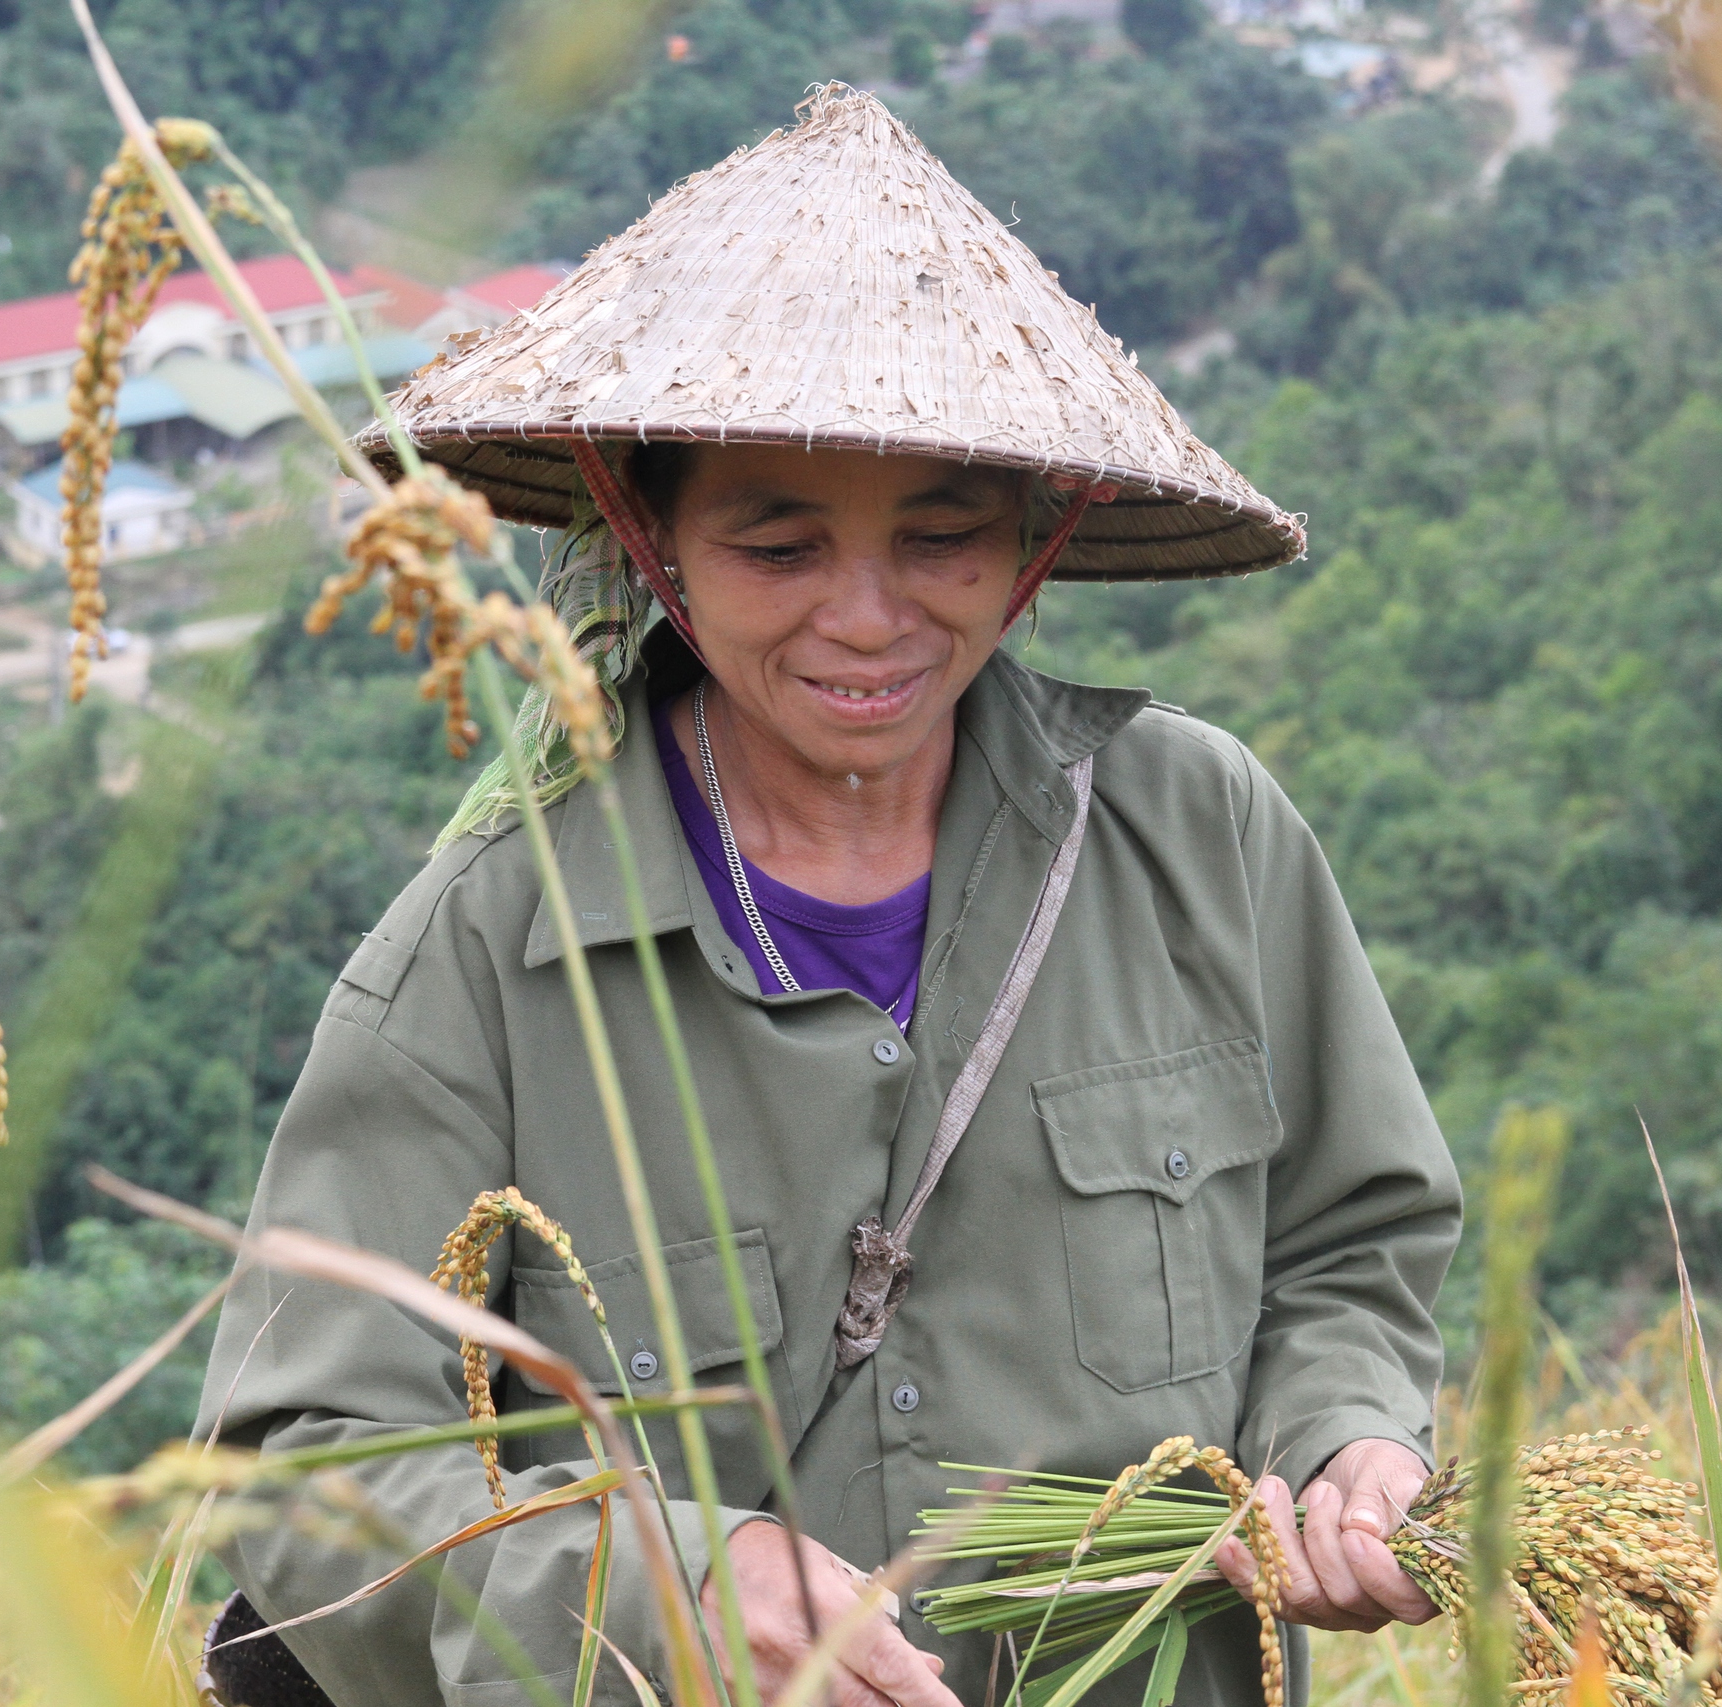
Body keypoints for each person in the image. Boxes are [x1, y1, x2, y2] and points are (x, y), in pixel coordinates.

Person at [196, 85, 1460, 1707]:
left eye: (939, 542)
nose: (867, 622)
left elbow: (1347, 1245)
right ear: (652, 544)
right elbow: (310, 1476)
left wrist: (1346, 1438)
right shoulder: (492, 949)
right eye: (779, 550)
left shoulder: (1199, 833)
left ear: (1036, 537)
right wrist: (658, 1581)